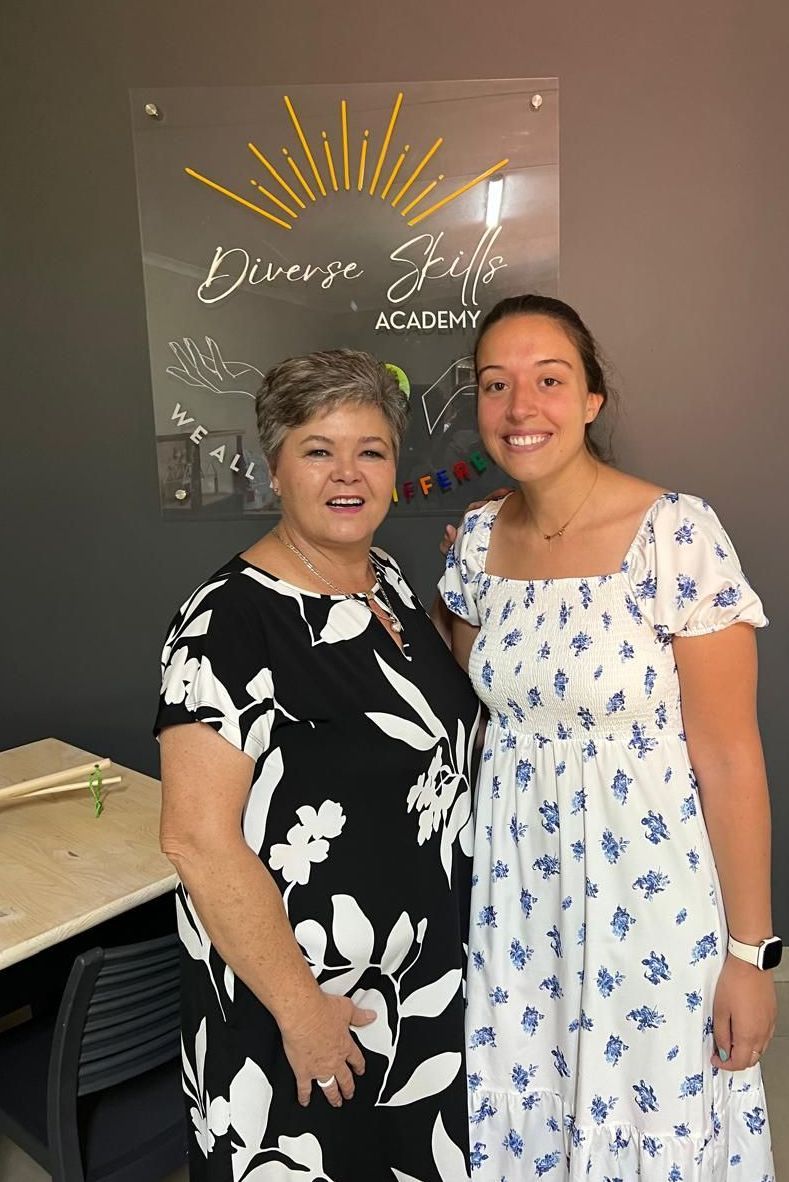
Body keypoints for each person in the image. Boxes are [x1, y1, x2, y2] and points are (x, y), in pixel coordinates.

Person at [437, 295, 778, 1180]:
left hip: (648, 906)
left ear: (591, 399)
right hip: (517, 906)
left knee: (649, 1114)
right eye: (496, 385)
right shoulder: (475, 543)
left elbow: (732, 760)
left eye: (549, 381)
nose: (521, 408)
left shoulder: (677, 534)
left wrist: (750, 955)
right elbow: (485, 685)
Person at [156, 350, 479, 1181]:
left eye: (369, 451)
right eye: (318, 449)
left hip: (414, 985)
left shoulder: (392, 583)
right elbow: (196, 839)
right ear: (274, 470)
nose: (347, 473)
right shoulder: (228, 624)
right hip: (305, 998)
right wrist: (302, 1012)